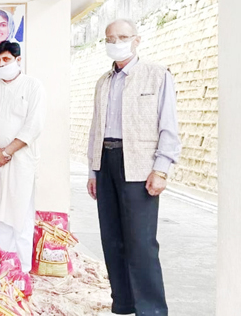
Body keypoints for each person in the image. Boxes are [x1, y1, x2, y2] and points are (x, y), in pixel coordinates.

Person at [86, 19, 180, 316]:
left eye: (123, 36)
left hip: (139, 164)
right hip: (107, 162)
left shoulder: (157, 75)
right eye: (110, 38)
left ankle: (151, 309)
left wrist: (161, 168)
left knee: (141, 242)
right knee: (112, 238)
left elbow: (168, 126)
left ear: (136, 40)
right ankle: (124, 303)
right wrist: (92, 170)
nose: (116, 41)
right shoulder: (104, 81)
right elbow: (95, 128)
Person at [0, 41, 45, 273]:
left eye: (6, 60)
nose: (1, 64)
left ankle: (21, 270)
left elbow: (34, 125)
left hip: (21, 161)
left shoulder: (33, 86)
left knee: (20, 212)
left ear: (18, 60)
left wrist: (7, 151)